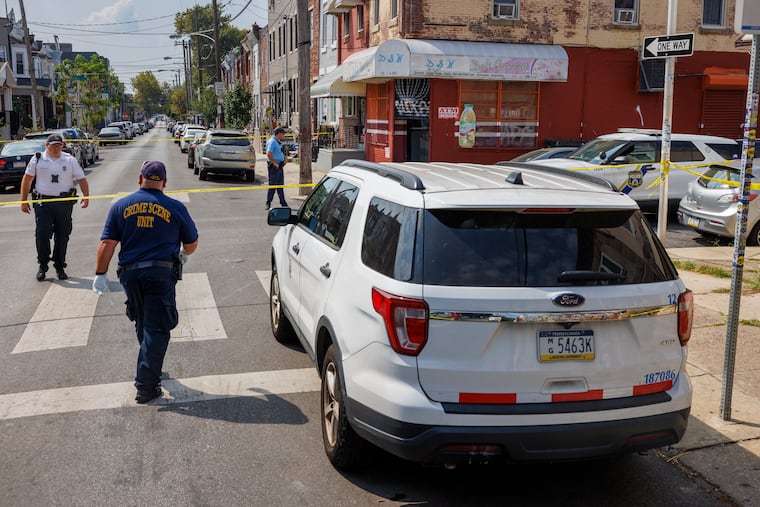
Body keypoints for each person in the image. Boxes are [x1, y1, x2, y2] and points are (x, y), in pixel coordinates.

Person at [92, 161, 199, 404]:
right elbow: (191, 243)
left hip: (131, 274)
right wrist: (184, 253)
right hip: (161, 273)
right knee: (157, 327)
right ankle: (146, 386)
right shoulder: (174, 207)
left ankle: (150, 366)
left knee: (143, 321)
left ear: (140, 179)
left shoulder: (121, 206)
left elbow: (107, 243)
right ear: (164, 182)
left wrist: (100, 274)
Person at [20, 133, 90, 281]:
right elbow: (27, 179)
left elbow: (81, 178)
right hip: (43, 203)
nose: (56, 148)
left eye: (59, 145)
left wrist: (86, 195)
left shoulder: (69, 160)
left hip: (63, 203)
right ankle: (43, 265)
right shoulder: (38, 159)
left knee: (62, 235)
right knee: (42, 233)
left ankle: (59, 266)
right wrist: (23, 200)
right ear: (47, 146)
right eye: (53, 146)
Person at [265, 126, 291, 210]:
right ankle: (268, 202)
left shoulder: (277, 142)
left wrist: (284, 158)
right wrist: (274, 163)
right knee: (273, 186)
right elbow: (269, 153)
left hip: (279, 166)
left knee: (280, 185)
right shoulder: (272, 141)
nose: (283, 135)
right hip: (274, 167)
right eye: (283, 134)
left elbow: (278, 152)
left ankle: (283, 203)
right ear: (279, 133)